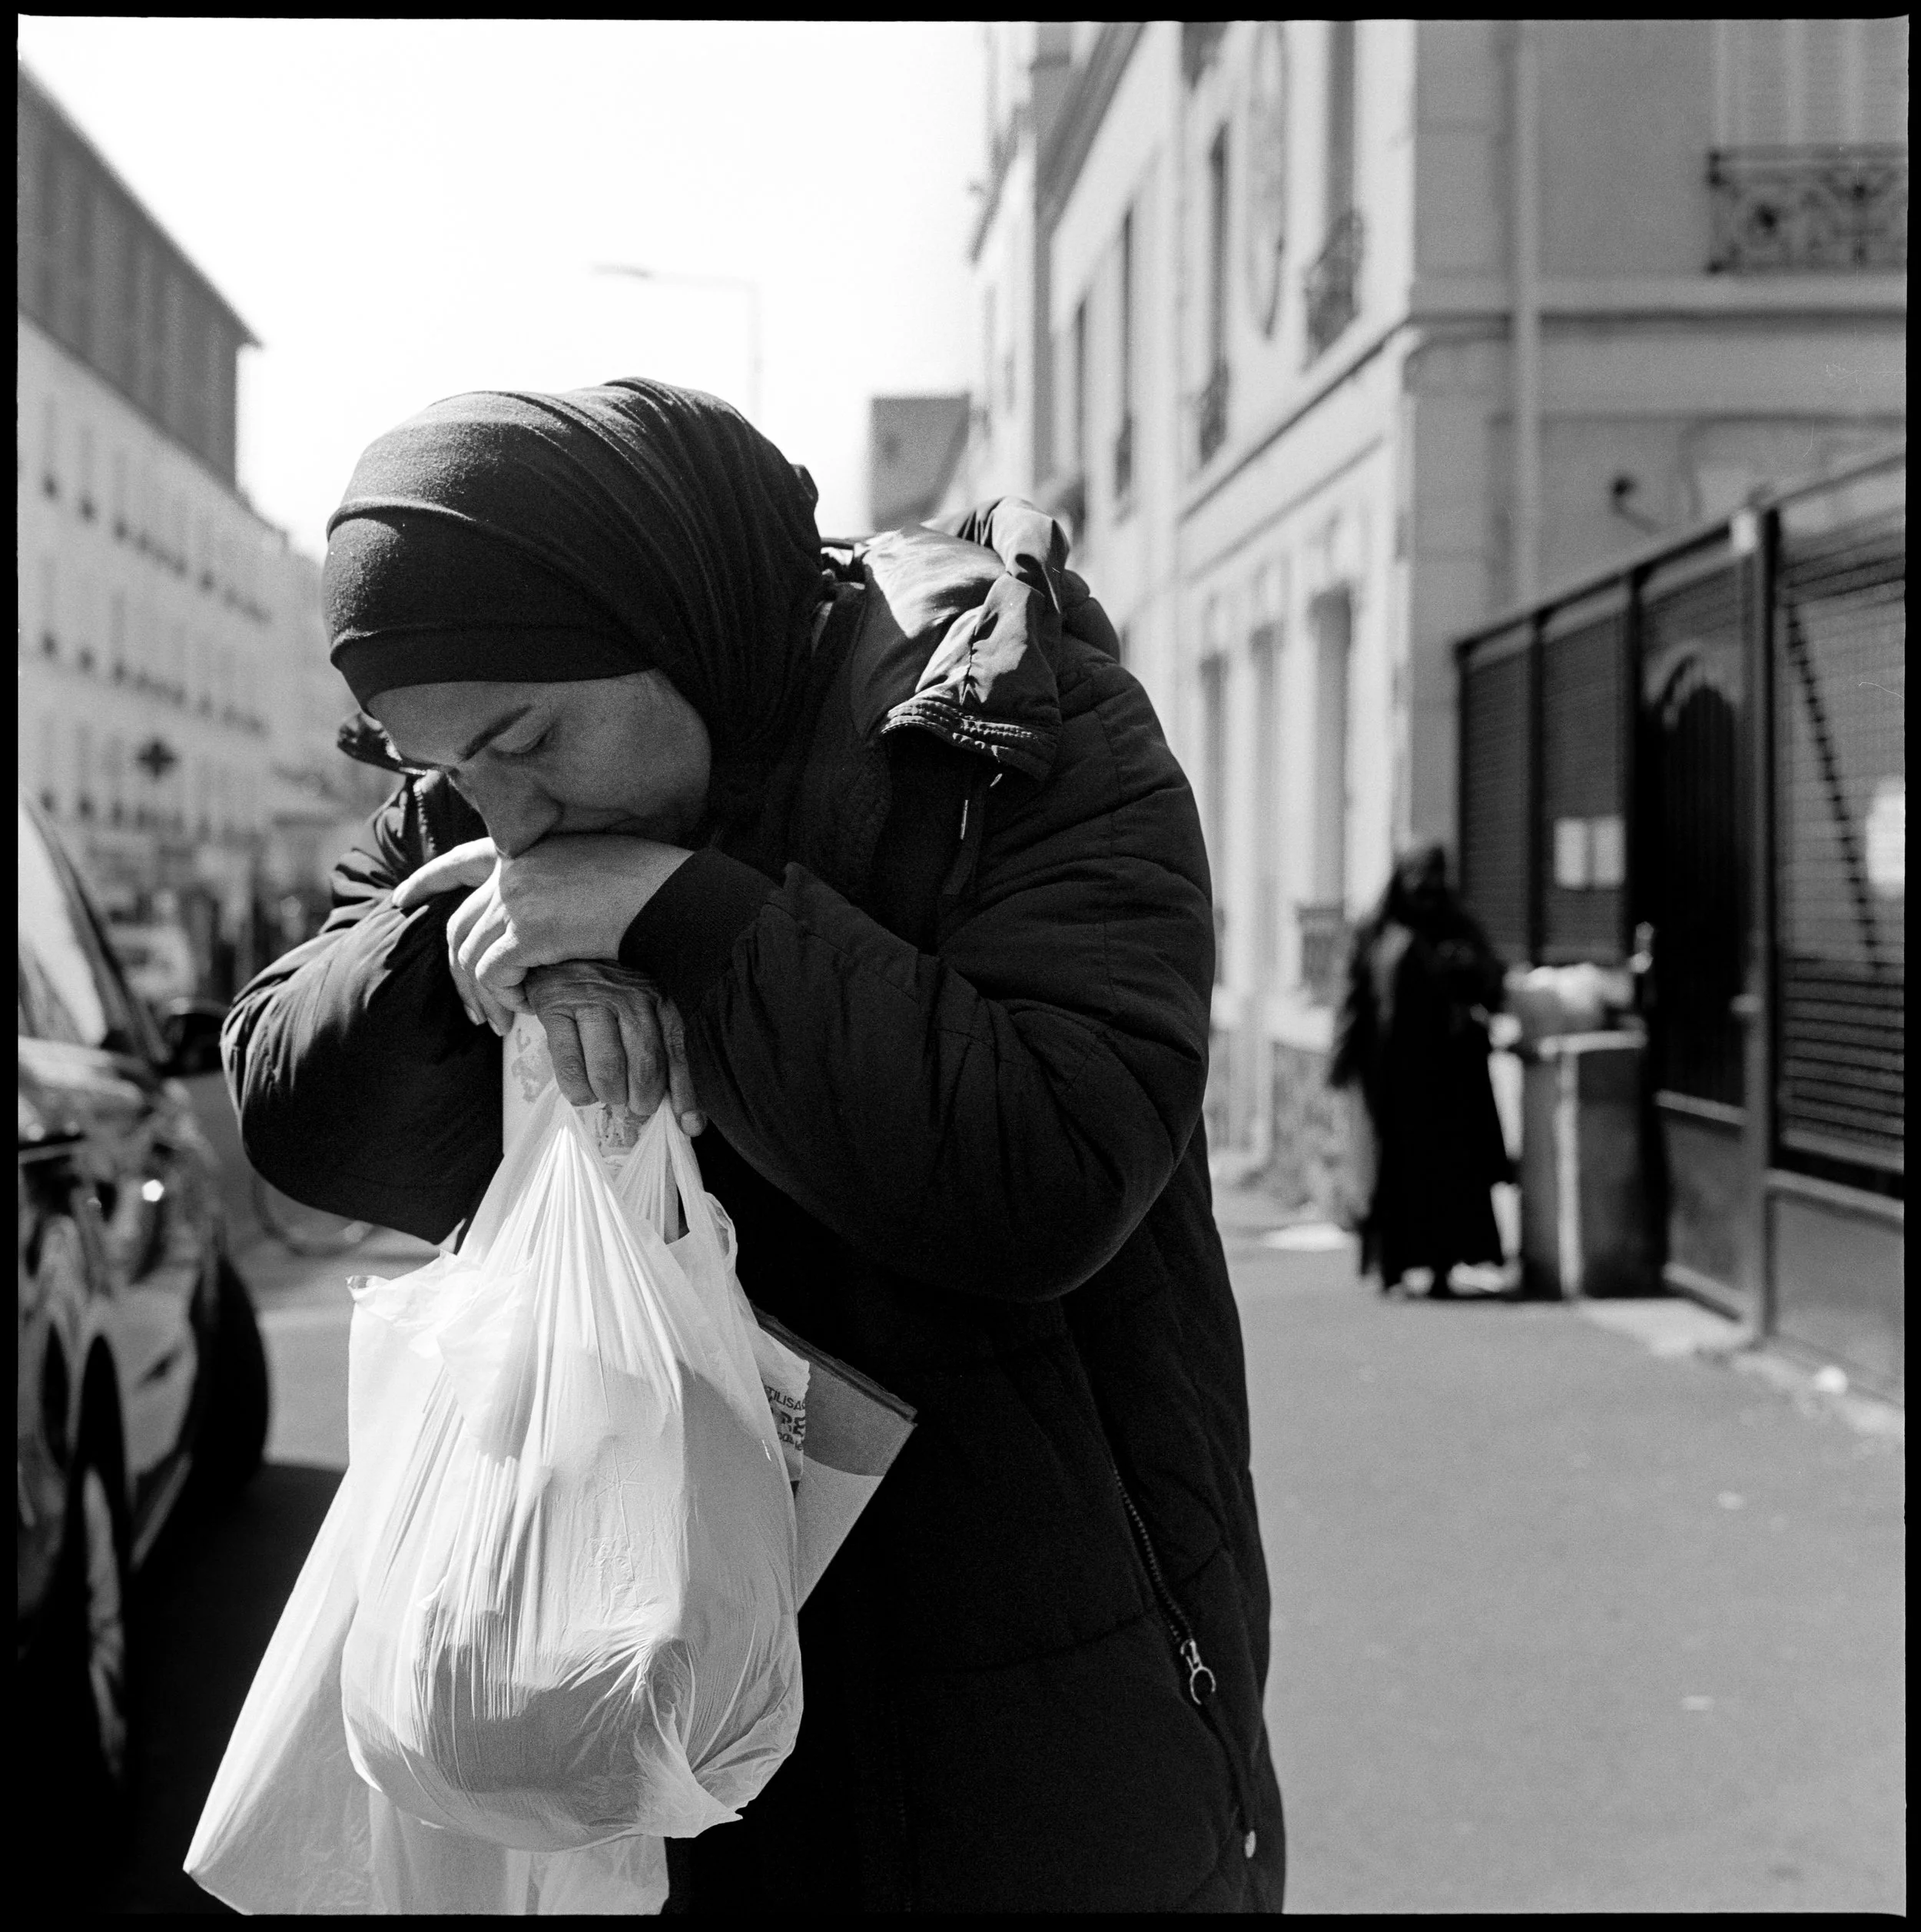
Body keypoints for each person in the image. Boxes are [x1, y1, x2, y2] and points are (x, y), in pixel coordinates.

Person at [222, 378, 1286, 1913]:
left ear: (670, 616)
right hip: (631, 1755)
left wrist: (680, 918)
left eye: (527, 741)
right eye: (442, 771)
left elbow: (1048, 1170)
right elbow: (292, 1102)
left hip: (1023, 1744)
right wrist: (458, 957)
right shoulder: (475, 811)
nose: (505, 818)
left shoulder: (995, 725)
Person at [1329, 843, 1511, 1297]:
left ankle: (1443, 1269)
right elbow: (1354, 996)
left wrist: (1467, 967)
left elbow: (1492, 983)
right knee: (1392, 1174)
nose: (1427, 890)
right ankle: (1391, 1268)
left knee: (1448, 1176)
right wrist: (1342, 1059)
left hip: (1449, 1079)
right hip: (1391, 1078)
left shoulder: (1458, 927)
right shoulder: (1375, 930)